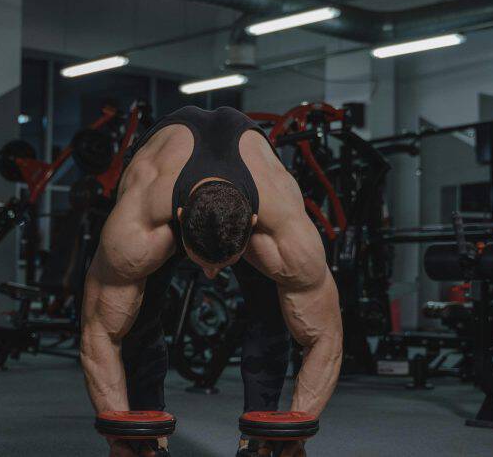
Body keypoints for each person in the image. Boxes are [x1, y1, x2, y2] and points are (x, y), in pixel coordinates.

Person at [81, 106, 343, 457]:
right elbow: (99, 334)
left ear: (253, 223)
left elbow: (325, 338)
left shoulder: (284, 227)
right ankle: (145, 444)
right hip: (162, 173)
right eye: (201, 262)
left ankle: (260, 443)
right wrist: (118, 437)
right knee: (138, 321)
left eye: (222, 266)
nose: (210, 275)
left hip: (249, 191)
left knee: (273, 318)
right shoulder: (139, 223)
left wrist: (295, 432)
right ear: (178, 219)